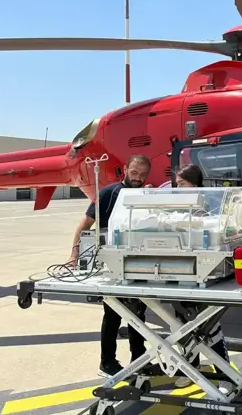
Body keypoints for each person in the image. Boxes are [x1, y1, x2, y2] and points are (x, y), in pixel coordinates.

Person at [67, 155, 152, 378]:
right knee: (113, 313)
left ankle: (139, 359)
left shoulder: (145, 194)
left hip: (137, 261)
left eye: (142, 175)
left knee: (139, 312)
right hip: (111, 263)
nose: (138, 178)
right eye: (134, 173)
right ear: (125, 169)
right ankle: (107, 363)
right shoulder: (108, 194)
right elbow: (84, 225)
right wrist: (74, 255)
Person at [171, 164, 232, 392]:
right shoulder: (177, 206)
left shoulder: (208, 206)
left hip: (203, 273)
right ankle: (190, 369)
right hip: (179, 272)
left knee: (210, 327)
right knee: (181, 325)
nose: (178, 188)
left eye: (182, 184)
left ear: (194, 184)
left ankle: (225, 373)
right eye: (177, 184)